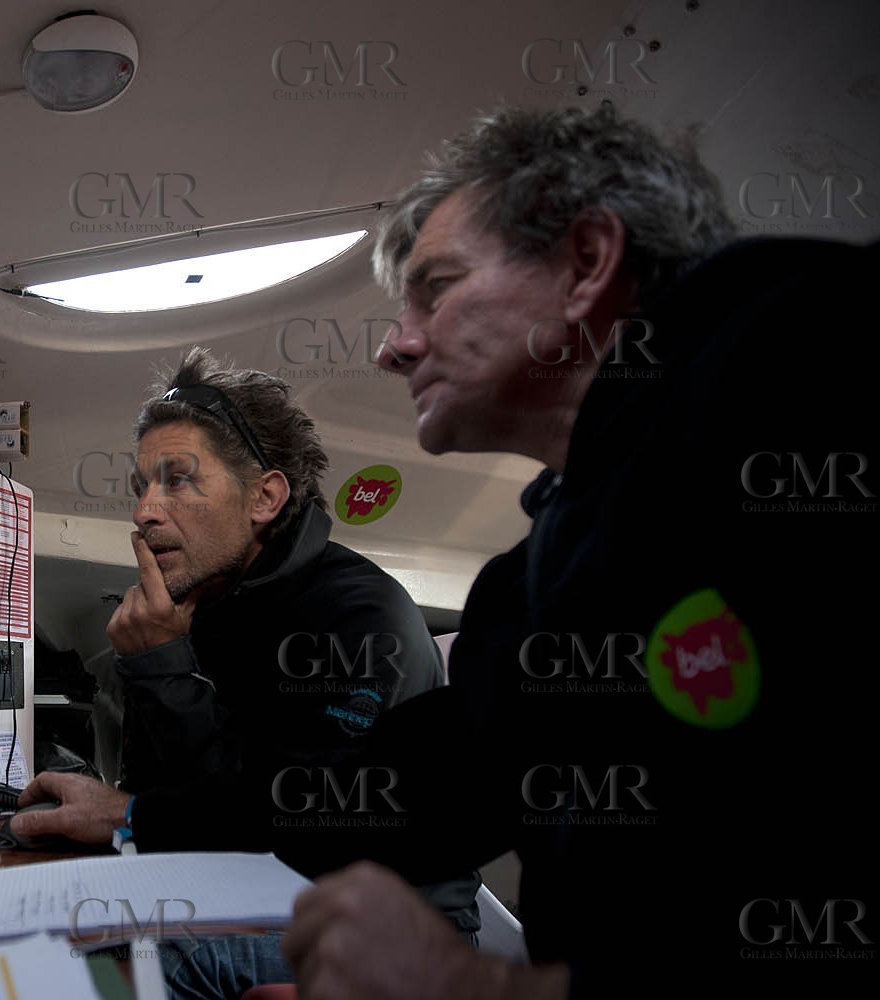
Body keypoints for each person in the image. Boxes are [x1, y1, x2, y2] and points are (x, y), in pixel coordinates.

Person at [277, 104, 877, 997]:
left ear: (587, 262)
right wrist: (135, 818)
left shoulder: (818, 351)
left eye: (434, 288)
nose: (393, 347)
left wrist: (475, 989)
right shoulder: (536, 575)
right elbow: (419, 787)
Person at [14, 348, 481, 997]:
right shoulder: (202, 605)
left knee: (125, 970)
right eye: (141, 487)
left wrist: (163, 671)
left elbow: (293, 837)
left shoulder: (363, 620)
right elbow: (176, 794)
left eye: (177, 482)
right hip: (249, 886)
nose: (143, 512)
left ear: (264, 497)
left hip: (383, 920)